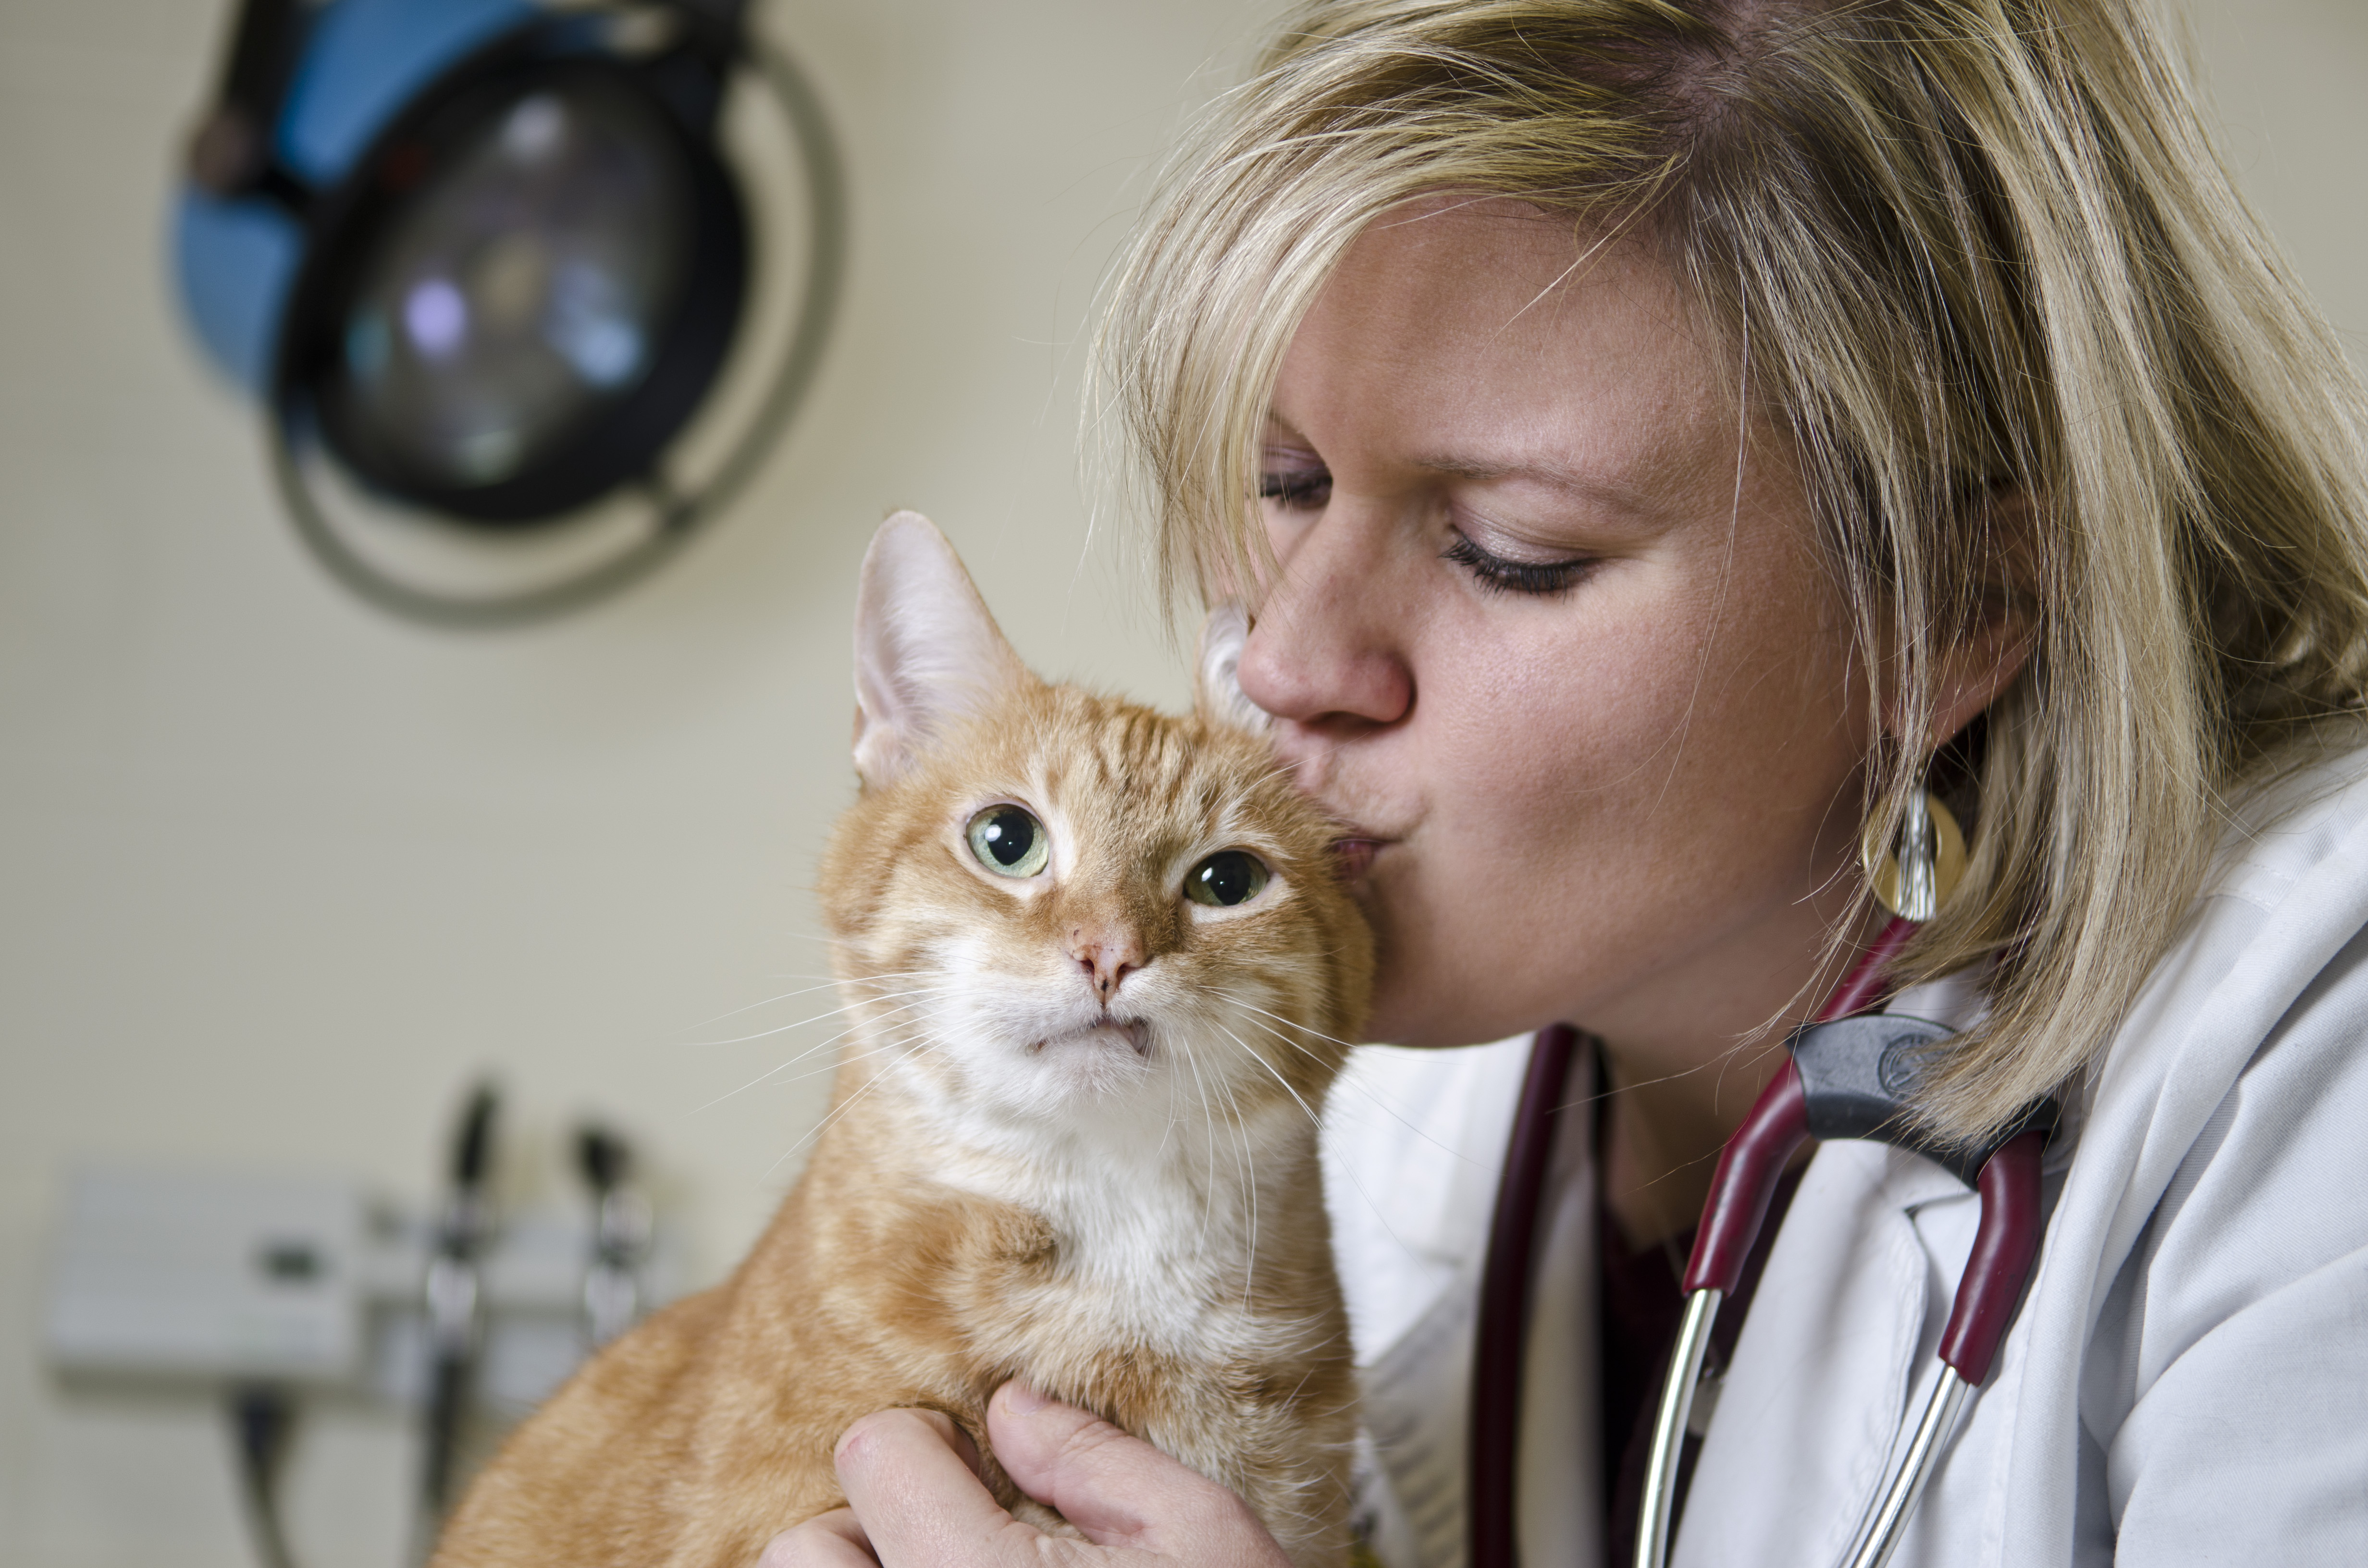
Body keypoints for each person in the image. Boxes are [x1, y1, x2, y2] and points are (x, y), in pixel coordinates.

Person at [767, 1, 2368, 1563]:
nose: (1285, 661)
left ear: (1946, 618)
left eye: (1510, 553)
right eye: (1288, 485)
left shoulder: (2311, 1064)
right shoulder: (1369, 1106)